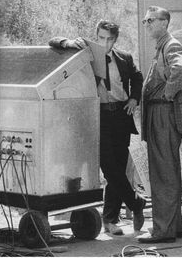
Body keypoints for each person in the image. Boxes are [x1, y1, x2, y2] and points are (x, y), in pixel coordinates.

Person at [49, 20, 146, 235]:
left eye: (109, 39)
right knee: (109, 167)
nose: (105, 43)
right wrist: (68, 42)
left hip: (121, 115)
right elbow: (52, 41)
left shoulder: (125, 58)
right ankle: (136, 203)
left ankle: (110, 220)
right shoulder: (86, 52)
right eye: (101, 38)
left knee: (118, 169)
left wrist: (133, 99)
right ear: (96, 36)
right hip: (97, 116)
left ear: (115, 39)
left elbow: (138, 79)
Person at [138, 6, 182, 243]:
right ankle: (173, 227)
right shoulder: (162, 45)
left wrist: (167, 94)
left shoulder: (171, 44)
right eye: (145, 21)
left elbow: (181, 69)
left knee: (163, 173)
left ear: (164, 22)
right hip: (160, 114)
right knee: (168, 172)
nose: (147, 24)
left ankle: (163, 231)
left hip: (163, 114)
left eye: (150, 20)